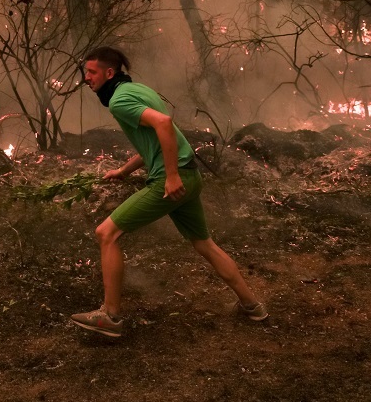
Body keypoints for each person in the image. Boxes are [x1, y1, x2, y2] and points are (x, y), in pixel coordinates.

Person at [70, 47, 267, 338]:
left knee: (106, 233)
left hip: (172, 179)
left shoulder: (120, 99)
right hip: (190, 176)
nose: (87, 78)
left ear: (109, 73)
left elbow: (164, 124)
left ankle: (110, 316)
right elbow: (157, 136)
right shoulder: (137, 89)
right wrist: (125, 171)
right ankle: (254, 306)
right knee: (205, 244)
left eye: (92, 72)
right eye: (86, 72)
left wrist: (171, 176)